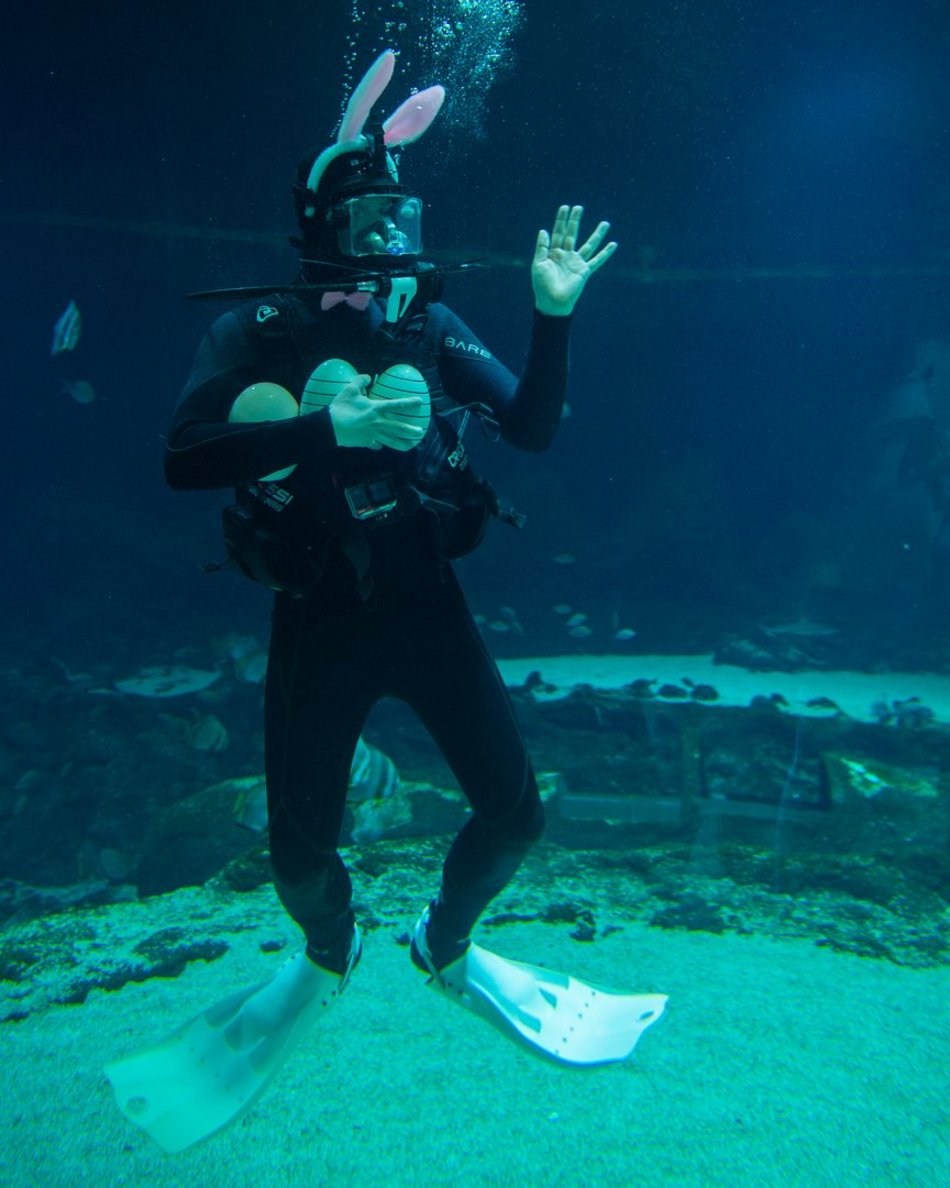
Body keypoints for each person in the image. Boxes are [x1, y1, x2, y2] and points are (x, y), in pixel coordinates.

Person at [106, 51, 665, 1154]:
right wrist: (325, 431)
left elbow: (535, 427)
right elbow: (181, 459)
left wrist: (552, 316)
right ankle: (329, 950)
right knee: (298, 865)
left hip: (425, 604)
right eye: (368, 223)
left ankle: (442, 946)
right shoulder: (257, 335)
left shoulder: (429, 332)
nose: (392, 243)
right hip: (318, 614)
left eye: (401, 218)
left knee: (516, 814)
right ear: (320, 229)